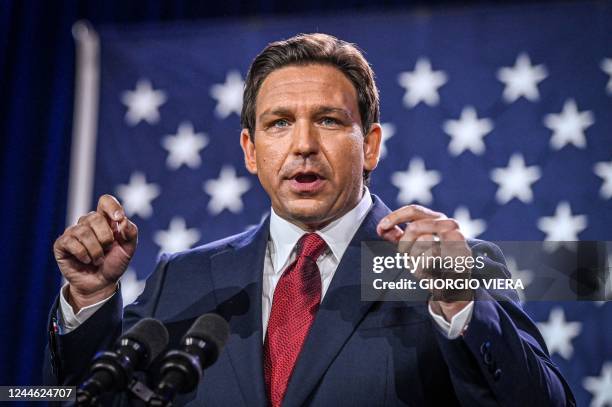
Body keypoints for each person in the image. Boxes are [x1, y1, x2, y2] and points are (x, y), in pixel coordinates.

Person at [45, 33, 575, 406]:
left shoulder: (461, 269)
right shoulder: (181, 279)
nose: (302, 145)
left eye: (327, 120)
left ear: (369, 145)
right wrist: (90, 301)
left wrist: (461, 301)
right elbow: (80, 399)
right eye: (279, 123)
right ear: (251, 151)